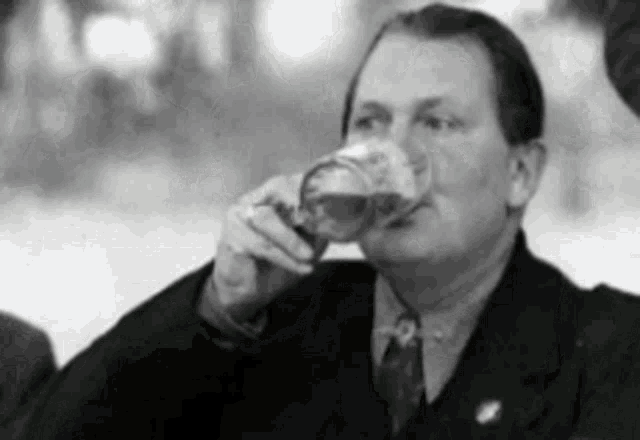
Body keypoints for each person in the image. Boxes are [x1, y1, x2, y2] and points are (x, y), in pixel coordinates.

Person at [18, 3, 640, 439]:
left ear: (521, 173)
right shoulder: (273, 320)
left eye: (438, 122)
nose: (396, 152)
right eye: (371, 123)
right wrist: (216, 309)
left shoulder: (609, 352)